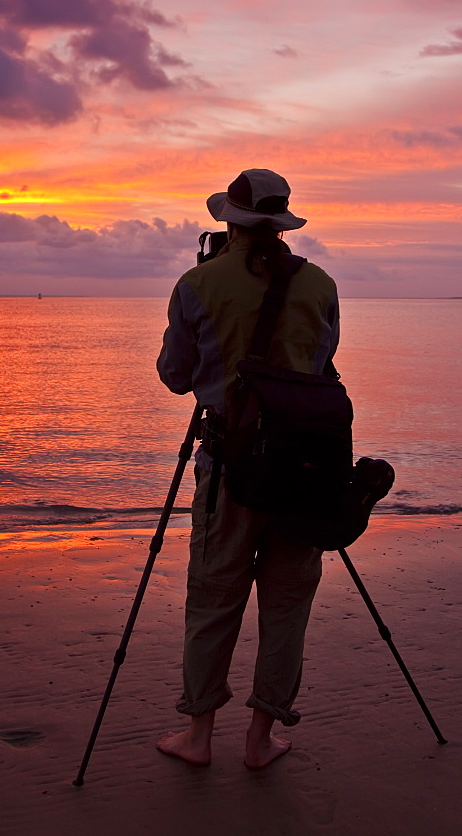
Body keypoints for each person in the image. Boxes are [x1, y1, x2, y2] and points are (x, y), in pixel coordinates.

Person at [156, 168, 340, 769]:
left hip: (228, 469)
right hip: (303, 472)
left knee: (213, 599)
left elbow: (175, 376)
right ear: (281, 222)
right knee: (288, 603)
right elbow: (321, 361)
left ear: (228, 222)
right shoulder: (320, 285)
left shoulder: (196, 283)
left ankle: (199, 737)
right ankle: (260, 740)